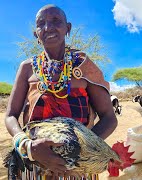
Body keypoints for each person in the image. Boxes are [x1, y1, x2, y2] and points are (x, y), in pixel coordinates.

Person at [5, 4, 117, 179]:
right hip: (35, 161)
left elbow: (109, 117)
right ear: (36, 34)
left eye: (56, 21)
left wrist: (79, 151)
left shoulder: (83, 64)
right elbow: (11, 115)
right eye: (41, 24)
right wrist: (27, 145)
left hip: (78, 167)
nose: (48, 27)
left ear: (68, 28)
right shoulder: (27, 68)